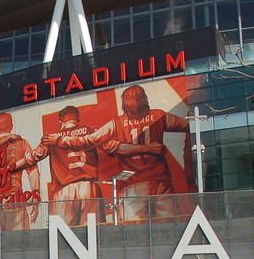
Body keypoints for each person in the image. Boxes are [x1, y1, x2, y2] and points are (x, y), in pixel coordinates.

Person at [43, 84, 193, 221]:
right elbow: (190, 125)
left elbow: (89, 140)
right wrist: (189, 159)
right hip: (161, 181)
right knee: (169, 229)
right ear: (145, 99)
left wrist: (60, 140)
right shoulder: (159, 115)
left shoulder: (116, 123)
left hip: (132, 184)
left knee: (131, 235)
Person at [9, 105, 102, 227]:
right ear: (78, 120)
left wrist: (15, 165)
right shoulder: (90, 131)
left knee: (61, 235)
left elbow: (33, 157)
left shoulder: (51, 137)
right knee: (94, 232)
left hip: (64, 190)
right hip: (89, 188)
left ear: (60, 122)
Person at [0, 113, 41, 231]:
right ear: (12, 125)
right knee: (20, 245)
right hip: (15, 201)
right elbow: (33, 171)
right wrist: (36, 198)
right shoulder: (22, 143)